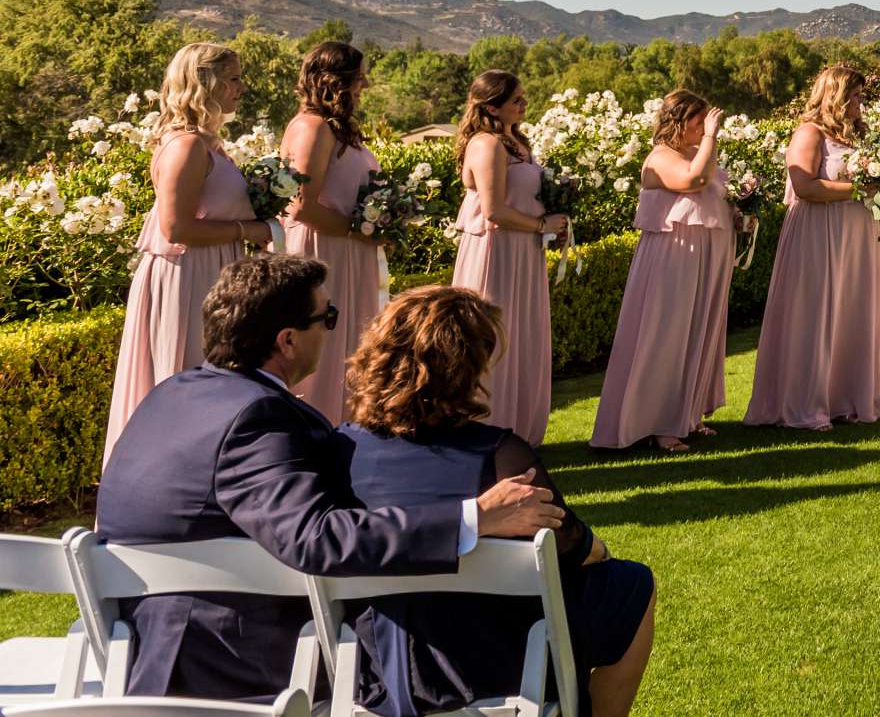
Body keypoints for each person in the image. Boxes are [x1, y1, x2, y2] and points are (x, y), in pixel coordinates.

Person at [96, 254, 560, 702]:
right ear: (288, 340)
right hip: (227, 658)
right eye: (327, 316)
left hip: (142, 642)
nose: (332, 329)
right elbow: (315, 539)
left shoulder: (172, 394)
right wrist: (474, 516)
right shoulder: (256, 417)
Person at [343, 285, 657, 717]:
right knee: (632, 585)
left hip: (374, 653)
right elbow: (569, 546)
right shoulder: (500, 455)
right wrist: (596, 549)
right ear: (467, 367)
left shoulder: (340, 452)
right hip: (490, 659)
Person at [104, 42, 273, 463]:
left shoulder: (210, 145)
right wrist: (247, 229)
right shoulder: (186, 147)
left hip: (213, 268)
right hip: (187, 275)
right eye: (233, 78)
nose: (242, 88)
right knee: (186, 374)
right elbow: (175, 227)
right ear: (205, 83)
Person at [591, 90, 737, 452]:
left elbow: (708, 193)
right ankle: (658, 423)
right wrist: (712, 137)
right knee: (668, 334)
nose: (704, 127)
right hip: (675, 255)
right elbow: (693, 181)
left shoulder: (694, 152)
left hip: (703, 255)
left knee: (697, 330)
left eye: (706, 121)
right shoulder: (661, 157)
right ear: (678, 121)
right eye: (698, 121)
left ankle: (686, 414)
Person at [747, 64, 880, 429]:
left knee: (849, 312)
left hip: (854, 236)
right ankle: (806, 403)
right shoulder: (810, 133)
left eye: (861, 95)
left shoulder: (856, 135)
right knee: (816, 313)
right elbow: (805, 187)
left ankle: (843, 399)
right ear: (836, 96)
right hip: (818, 235)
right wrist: (860, 189)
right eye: (854, 95)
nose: (860, 102)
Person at [448, 70, 565, 443]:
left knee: (520, 333)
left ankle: (518, 429)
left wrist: (554, 223)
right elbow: (494, 209)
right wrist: (541, 225)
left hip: (522, 251)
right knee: (493, 338)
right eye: (516, 100)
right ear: (492, 106)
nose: (524, 104)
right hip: (496, 252)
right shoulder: (486, 144)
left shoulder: (517, 143)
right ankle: (484, 429)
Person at [280, 40, 384, 423]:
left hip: (347, 249)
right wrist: (360, 230)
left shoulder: (335, 129)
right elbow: (301, 206)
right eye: (359, 78)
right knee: (326, 345)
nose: (365, 86)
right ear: (333, 81)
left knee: (351, 347)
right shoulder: (313, 128)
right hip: (324, 251)